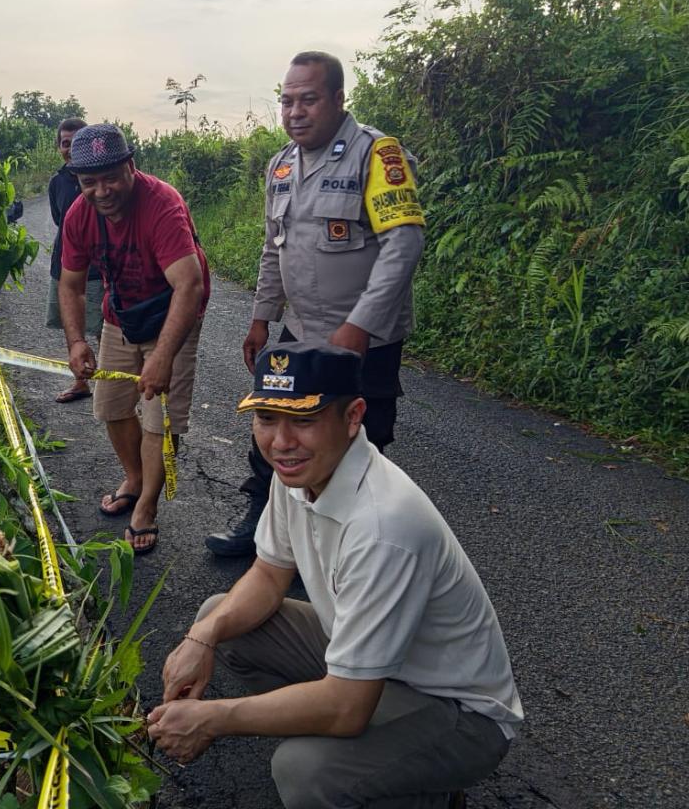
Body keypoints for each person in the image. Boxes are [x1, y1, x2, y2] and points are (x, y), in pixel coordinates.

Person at [149, 342, 523, 808]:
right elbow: (268, 574)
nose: (281, 442)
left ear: (353, 417)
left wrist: (214, 718)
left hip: (459, 712)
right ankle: (375, 762)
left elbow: (347, 708)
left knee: (303, 772)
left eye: (303, 420)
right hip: (377, 671)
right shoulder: (298, 473)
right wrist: (201, 637)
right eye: (266, 418)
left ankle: (425, 793)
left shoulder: (385, 526)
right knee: (217, 617)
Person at [206, 50, 426, 556]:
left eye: (307, 99)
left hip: (364, 337)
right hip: (299, 329)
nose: (295, 112)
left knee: (360, 437)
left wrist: (360, 325)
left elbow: (404, 244)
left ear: (337, 99)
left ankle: (355, 543)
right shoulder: (280, 166)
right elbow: (271, 247)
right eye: (286, 101)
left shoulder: (377, 155)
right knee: (278, 424)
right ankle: (262, 526)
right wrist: (262, 317)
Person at [59, 123, 210, 554]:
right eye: (90, 182)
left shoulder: (162, 204)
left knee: (159, 415)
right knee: (111, 406)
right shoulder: (79, 215)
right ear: (78, 180)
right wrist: (75, 341)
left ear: (131, 166)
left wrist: (162, 357)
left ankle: (146, 505)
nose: (102, 191)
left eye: (111, 178)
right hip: (121, 314)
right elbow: (70, 285)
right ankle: (135, 475)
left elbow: (189, 285)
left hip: (174, 315)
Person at [45, 116, 102, 404]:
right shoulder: (57, 182)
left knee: (106, 327)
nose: (71, 148)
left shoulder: (102, 175)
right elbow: (60, 220)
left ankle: (113, 388)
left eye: (78, 141)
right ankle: (81, 382)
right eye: (66, 143)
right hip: (65, 264)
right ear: (59, 148)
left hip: (100, 268)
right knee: (74, 327)